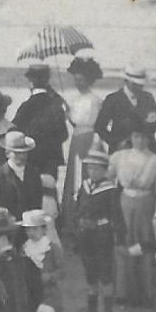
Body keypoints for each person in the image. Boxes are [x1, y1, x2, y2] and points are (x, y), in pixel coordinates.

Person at [109, 123, 156, 306]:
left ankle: (146, 292)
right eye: (136, 136)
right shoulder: (119, 157)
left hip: (146, 206)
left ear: (149, 138)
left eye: (143, 137)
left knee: (145, 245)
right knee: (123, 243)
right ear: (131, 137)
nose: (140, 141)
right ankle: (122, 293)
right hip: (124, 203)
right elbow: (109, 182)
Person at [72, 145, 124, 312]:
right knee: (90, 273)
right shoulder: (85, 186)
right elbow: (78, 208)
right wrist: (78, 225)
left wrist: (117, 236)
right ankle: (91, 311)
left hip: (102, 235)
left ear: (104, 170)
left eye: (97, 168)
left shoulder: (110, 189)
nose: (92, 172)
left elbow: (116, 215)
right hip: (86, 235)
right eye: (90, 168)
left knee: (105, 274)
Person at [61, 55, 105, 216]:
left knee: (85, 173)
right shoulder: (76, 99)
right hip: (76, 139)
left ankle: (86, 210)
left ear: (89, 80)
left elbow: (93, 123)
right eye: (76, 79)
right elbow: (75, 123)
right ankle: (71, 211)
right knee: (74, 175)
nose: (78, 83)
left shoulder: (95, 100)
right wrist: (67, 113)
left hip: (89, 140)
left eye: (81, 80)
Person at [14, 63, 69, 186]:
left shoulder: (26, 106)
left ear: (31, 82)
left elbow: (15, 131)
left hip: (31, 158)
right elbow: (64, 135)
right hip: (51, 159)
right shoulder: (56, 105)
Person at [94, 66, 156, 154]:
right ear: (126, 81)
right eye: (135, 84)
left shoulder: (148, 97)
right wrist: (116, 143)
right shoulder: (112, 99)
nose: (139, 87)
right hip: (121, 150)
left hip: (147, 149)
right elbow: (99, 127)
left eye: (141, 85)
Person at [0, 130, 43, 218]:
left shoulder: (34, 173)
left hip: (31, 227)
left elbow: (38, 202)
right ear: (7, 153)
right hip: (9, 229)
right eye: (17, 153)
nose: (22, 157)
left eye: (24, 152)